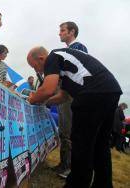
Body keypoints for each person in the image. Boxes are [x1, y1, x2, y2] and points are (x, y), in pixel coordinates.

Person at [27, 46, 122, 188]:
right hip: (111, 90)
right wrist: (44, 102)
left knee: (81, 144)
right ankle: (103, 184)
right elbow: (63, 96)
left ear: (41, 58)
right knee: (100, 145)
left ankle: (76, 184)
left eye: (35, 66)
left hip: (91, 94)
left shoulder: (52, 57)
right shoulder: (66, 65)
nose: (37, 71)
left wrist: (32, 99)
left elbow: (48, 89)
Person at [55, 21, 88, 178]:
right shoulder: (68, 49)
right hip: (65, 93)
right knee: (63, 130)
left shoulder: (78, 48)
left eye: (62, 30)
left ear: (72, 32)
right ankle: (64, 164)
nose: (59, 33)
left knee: (68, 131)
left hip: (71, 94)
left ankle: (69, 169)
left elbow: (75, 73)